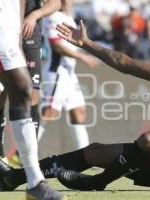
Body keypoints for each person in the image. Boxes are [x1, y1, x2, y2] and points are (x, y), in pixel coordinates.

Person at [0, 20, 150, 191]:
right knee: (94, 151)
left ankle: (98, 182)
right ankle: (15, 177)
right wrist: (86, 43)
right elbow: (124, 63)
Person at [0, 0, 65, 199]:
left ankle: (25, 179)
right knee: (22, 88)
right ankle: (34, 182)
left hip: (8, 21)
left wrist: (15, 34)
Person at [38, 0, 99, 148]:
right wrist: (83, 57)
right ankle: (21, 155)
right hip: (57, 72)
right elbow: (57, 46)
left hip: (70, 74)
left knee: (79, 112)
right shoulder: (52, 16)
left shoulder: (70, 17)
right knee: (49, 113)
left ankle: (85, 156)